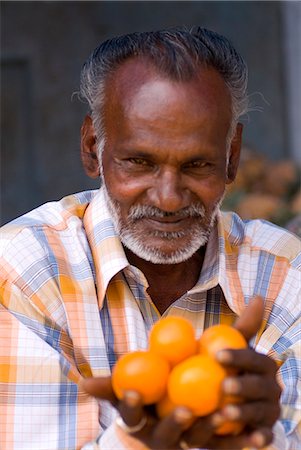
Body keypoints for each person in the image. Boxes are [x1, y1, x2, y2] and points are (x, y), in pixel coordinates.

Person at [0, 26, 300, 450]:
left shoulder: (285, 276)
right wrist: (136, 442)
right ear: (92, 149)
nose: (169, 198)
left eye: (197, 165)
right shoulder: (22, 273)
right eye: (138, 163)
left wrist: (268, 440)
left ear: (232, 158)